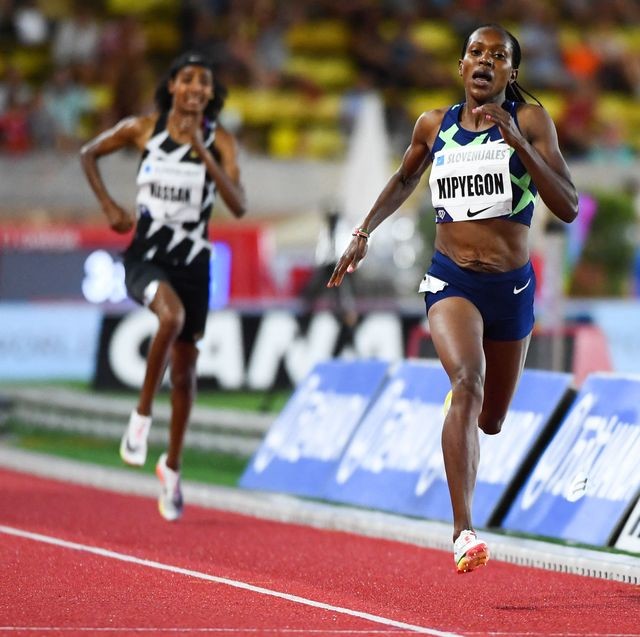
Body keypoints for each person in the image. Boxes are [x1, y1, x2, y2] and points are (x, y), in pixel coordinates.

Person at [328, 24, 578, 573]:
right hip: (451, 281)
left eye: (498, 55)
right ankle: (464, 530)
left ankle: (463, 415)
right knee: (467, 380)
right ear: (461, 66)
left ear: (512, 72)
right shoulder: (433, 125)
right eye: (475, 52)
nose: (485, 61)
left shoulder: (532, 122)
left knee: (490, 421)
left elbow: (568, 206)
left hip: (511, 287)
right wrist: (363, 231)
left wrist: (517, 142)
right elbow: (404, 178)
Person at [80, 51, 246, 521]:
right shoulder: (143, 129)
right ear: (172, 86)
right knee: (169, 317)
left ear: (211, 94)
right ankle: (141, 415)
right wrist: (110, 207)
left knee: (187, 371)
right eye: (187, 79)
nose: (196, 87)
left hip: (193, 264)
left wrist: (203, 153)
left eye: (204, 81)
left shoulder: (220, 140)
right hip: (146, 258)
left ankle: (171, 467)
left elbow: (238, 205)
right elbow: (88, 153)